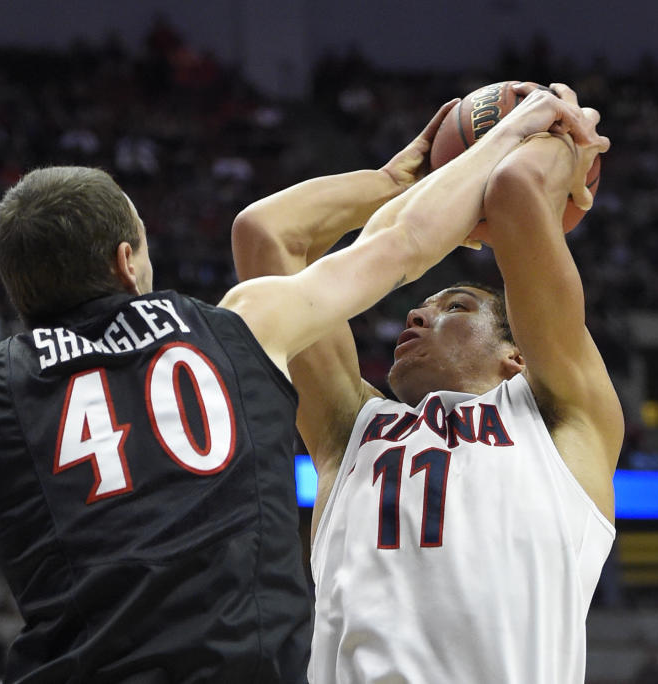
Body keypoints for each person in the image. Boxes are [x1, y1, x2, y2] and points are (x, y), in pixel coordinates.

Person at [0, 85, 599, 683]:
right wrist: (520, 133)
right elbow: (401, 244)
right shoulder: (238, 334)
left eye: (450, 306)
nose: (415, 317)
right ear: (129, 261)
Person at [232, 82, 617, 684]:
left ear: (518, 355)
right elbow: (265, 233)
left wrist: (565, 139)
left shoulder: (563, 420)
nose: (416, 315)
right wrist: (393, 184)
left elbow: (516, 192)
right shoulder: (350, 429)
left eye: (455, 307)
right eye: (421, 308)